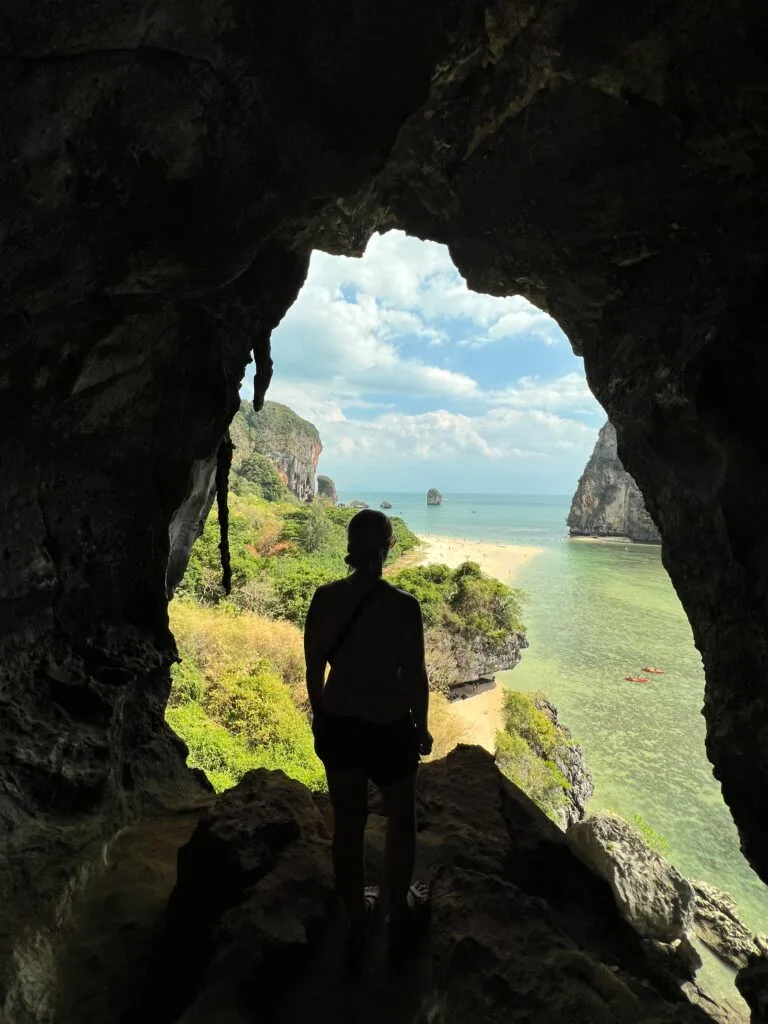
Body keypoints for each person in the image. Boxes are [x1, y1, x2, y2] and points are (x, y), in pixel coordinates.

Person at [304, 509, 433, 949]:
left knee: (348, 822)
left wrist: (322, 717)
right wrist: (424, 727)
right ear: (387, 548)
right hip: (388, 726)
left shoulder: (324, 598)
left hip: (340, 724)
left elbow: (313, 670)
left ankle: (357, 920)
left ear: (350, 547)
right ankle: (397, 914)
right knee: (401, 819)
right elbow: (415, 677)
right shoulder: (404, 606)